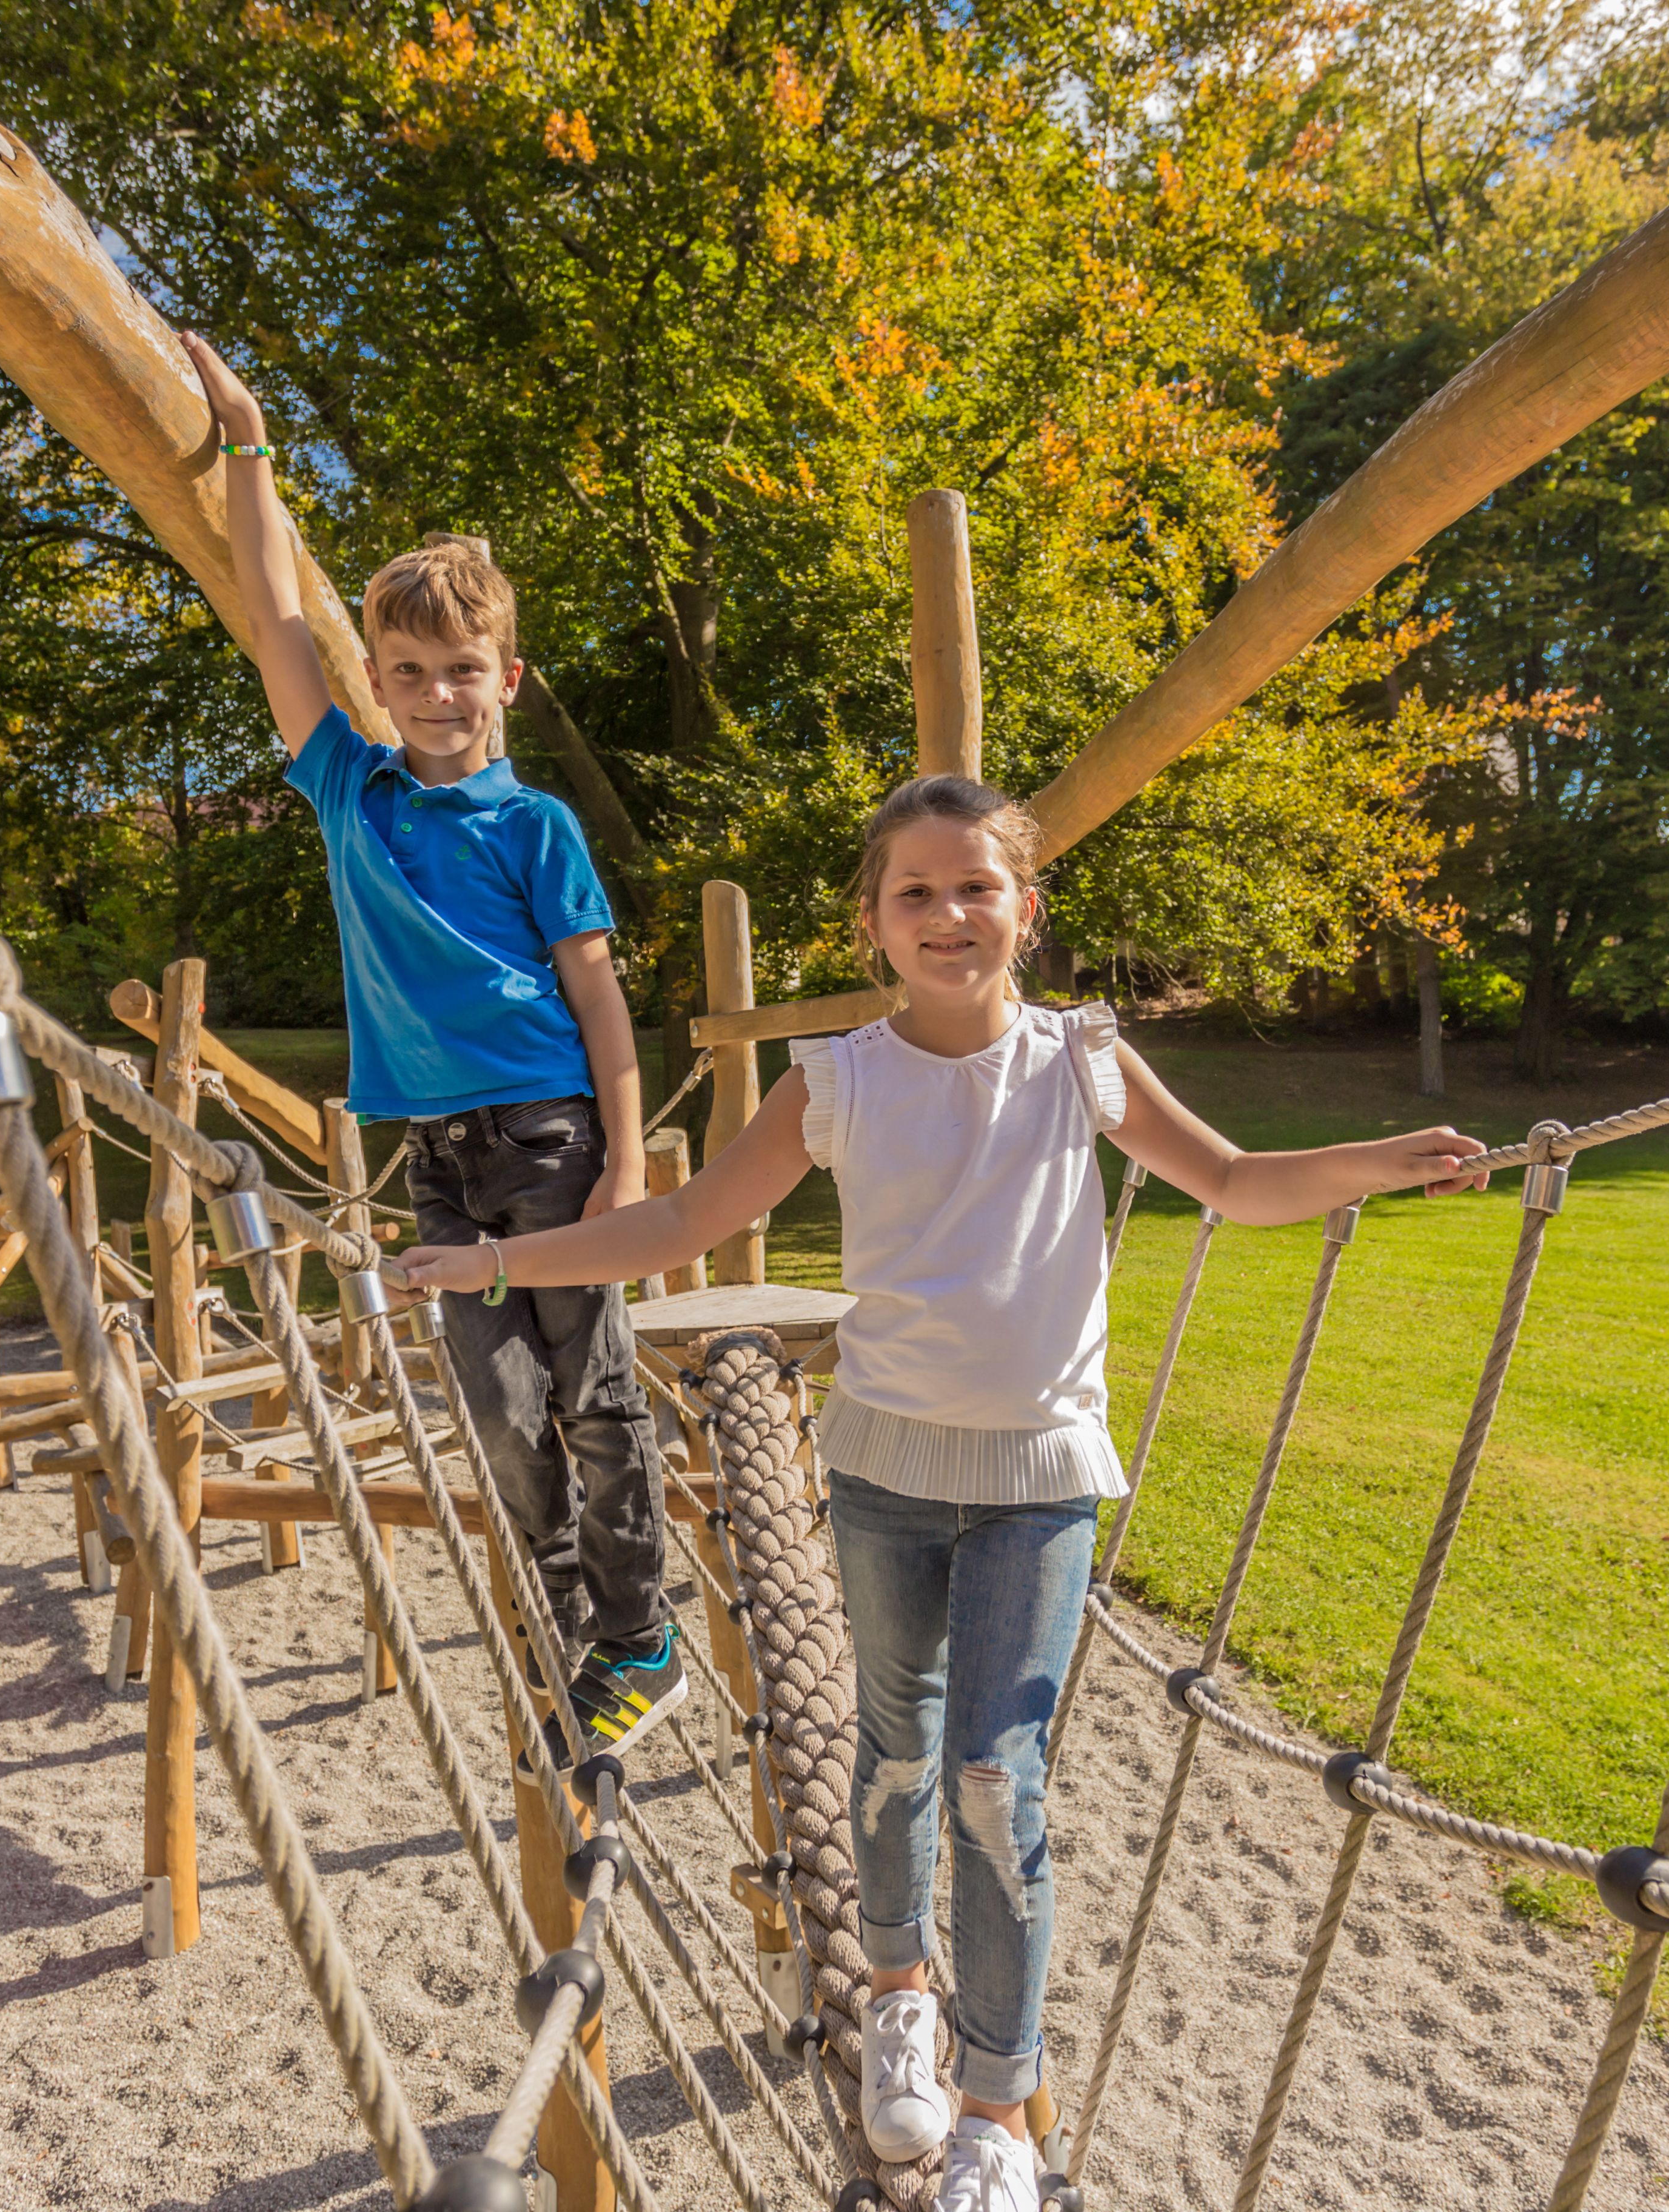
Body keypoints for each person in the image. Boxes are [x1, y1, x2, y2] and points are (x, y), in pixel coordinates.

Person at [391, 774, 1487, 2212]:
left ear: (1026, 909)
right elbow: (682, 1221)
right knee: (894, 1760)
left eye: (977, 886)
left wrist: (1378, 1168)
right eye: (917, 892)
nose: (950, 913)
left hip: (1039, 1477)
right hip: (888, 1468)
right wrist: (491, 1264)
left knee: (996, 1782)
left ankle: (994, 2110)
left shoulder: (1081, 1061)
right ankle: (898, 1992)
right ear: (875, 926)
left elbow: (1230, 1178)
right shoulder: (842, 1080)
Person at [179, 330, 683, 1760]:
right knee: (504, 1415)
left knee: (590, 1396)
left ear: (506, 679)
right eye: (410, 671)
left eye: (463, 669)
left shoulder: (535, 826)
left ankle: (641, 1638)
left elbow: (598, 1002)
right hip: (439, 1163)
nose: (438, 693)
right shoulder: (354, 793)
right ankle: (579, 1618)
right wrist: (250, 446)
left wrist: (625, 1163)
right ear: (381, 686)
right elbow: (273, 619)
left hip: (551, 1135)